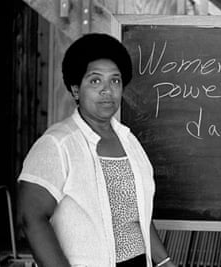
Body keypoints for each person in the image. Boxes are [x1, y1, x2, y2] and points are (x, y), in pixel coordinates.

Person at [17, 33, 177, 267]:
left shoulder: (129, 141)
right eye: (95, 81)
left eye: (115, 81)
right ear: (75, 90)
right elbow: (31, 218)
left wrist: (164, 262)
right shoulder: (58, 144)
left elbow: (139, 217)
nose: (107, 90)